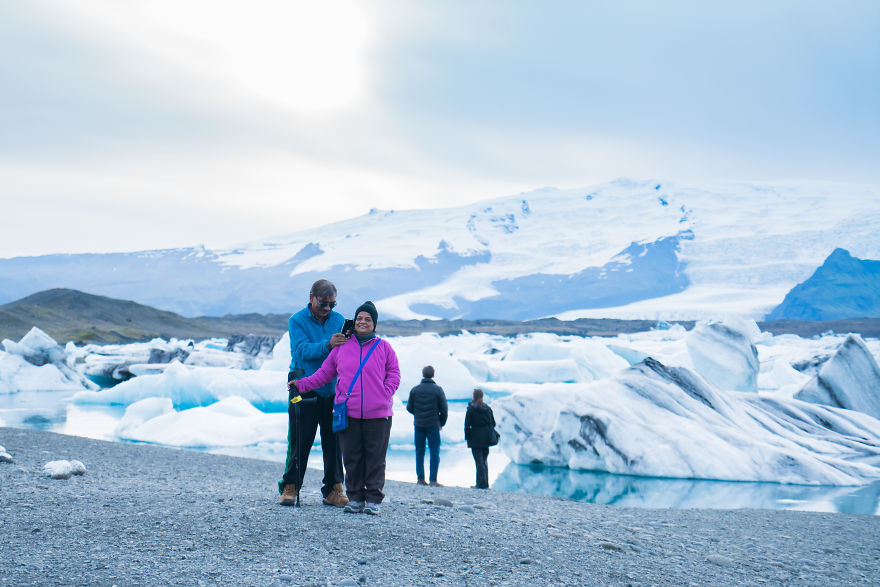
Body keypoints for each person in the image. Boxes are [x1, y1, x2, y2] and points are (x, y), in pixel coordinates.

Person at [291, 301, 400, 515]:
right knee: (352, 457)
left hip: (378, 414)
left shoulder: (384, 347)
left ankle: (373, 499)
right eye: (359, 318)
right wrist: (302, 384)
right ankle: (356, 498)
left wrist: (384, 393)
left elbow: (394, 374)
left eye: (367, 319)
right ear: (354, 321)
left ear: (374, 324)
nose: (362, 321)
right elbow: (324, 374)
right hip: (348, 412)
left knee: (375, 458)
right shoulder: (342, 347)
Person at [278, 279, 349, 507]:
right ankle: (290, 486)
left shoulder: (339, 321)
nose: (328, 308)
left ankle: (334, 489)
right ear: (312, 298)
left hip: (331, 389)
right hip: (302, 387)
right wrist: (328, 345)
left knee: (334, 440)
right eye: (324, 303)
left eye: (332, 304)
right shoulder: (296, 321)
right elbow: (301, 350)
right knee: (300, 438)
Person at [406, 365, 448, 486]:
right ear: (433, 375)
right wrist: (441, 422)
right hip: (433, 425)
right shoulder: (438, 390)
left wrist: (418, 414)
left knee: (419, 452)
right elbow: (444, 408)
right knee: (434, 452)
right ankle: (433, 480)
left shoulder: (415, 390)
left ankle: (420, 479)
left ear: (423, 374)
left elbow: (409, 407)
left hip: (419, 425)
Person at [464, 387, 496, 489]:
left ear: (473, 396)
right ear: (482, 396)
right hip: (486, 438)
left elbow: (467, 425)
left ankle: (480, 484)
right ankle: (485, 483)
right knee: (484, 460)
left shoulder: (471, 409)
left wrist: (467, 437)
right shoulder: (487, 408)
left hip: (475, 438)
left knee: (479, 461)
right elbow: (493, 423)